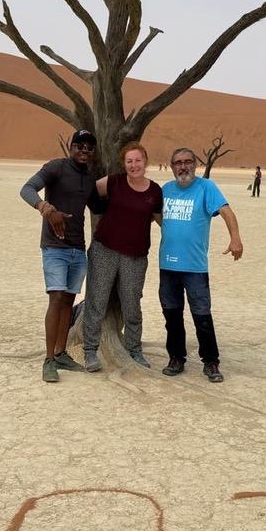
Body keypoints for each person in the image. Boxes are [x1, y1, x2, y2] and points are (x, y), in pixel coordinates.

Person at [20, 130, 99, 383]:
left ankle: (61, 352)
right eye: (79, 145)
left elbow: (99, 206)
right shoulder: (56, 167)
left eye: (89, 147)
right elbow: (27, 188)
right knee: (55, 298)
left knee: (68, 300)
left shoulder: (89, 178)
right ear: (70, 147)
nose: (84, 150)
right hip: (54, 247)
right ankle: (48, 360)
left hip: (78, 247)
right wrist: (45, 207)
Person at [159, 147, 243, 382]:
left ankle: (211, 362)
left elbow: (225, 211)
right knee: (172, 315)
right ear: (172, 166)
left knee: (202, 315)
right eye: (178, 162)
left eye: (187, 162)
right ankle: (176, 358)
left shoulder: (206, 187)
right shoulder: (166, 190)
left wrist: (235, 237)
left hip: (195, 267)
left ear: (194, 164)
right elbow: (156, 216)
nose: (183, 166)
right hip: (167, 265)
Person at [82, 142, 163, 372]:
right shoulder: (113, 181)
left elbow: (160, 219)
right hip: (104, 250)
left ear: (145, 162)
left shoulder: (154, 191)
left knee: (131, 304)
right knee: (97, 300)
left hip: (135, 256)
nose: (134, 165)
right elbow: (88, 190)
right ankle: (90, 351)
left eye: (138, 160)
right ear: (123, 163)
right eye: (129, 161)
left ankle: (134, 350)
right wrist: (95, 207)